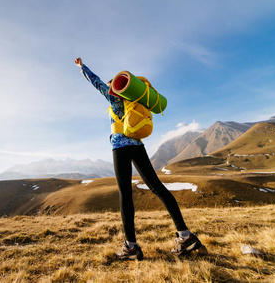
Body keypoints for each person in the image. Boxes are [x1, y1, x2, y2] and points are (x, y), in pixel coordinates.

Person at [74, 57, 206, 260]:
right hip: (138, 146)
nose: (109, 89)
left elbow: (96, 81)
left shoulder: (114, 99)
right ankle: (185, 235)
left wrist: (82, 67)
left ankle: (131, 247)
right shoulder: (134, 100)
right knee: (158, 187)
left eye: (111, 87)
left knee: (125, 195)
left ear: (114, 90)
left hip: (120, 148)